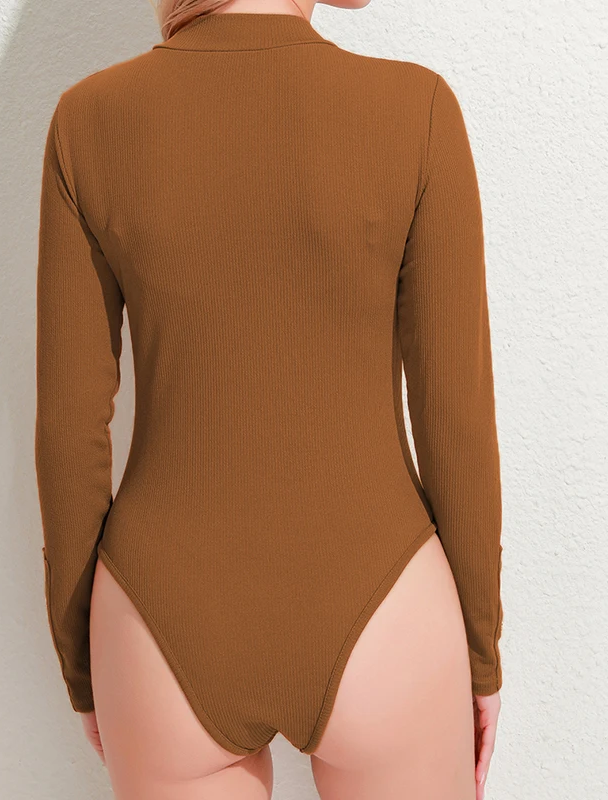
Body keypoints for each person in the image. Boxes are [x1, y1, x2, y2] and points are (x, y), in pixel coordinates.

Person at [34, 0, 504, 797]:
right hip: (383, 598)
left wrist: (87, 667)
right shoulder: (416, 109)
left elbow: (70, 430)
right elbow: (454, 417)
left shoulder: (89, 120)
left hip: (161, 609)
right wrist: (480, 655)